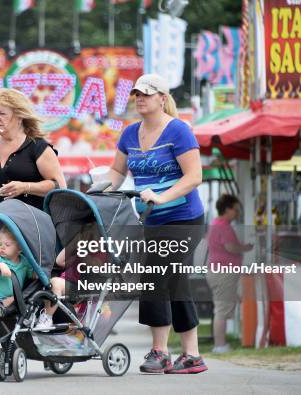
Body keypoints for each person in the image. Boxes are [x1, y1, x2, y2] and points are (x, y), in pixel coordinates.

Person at [105, 74, 208, 374]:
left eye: (146, 94)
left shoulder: (179, 131)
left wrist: (162, 197)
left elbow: (194, 177)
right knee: (161, 278)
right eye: (137, 93)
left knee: (165, 276)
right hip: (150, 219)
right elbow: (116, 171)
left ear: (162, 98)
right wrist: (99, 189)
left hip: (184, 217)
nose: (139, 98)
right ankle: (176, 353)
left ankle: (176, 353)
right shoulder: (128, 134)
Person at [206, 194, 253, 353]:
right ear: (227, 209)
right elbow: (230, 247)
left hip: (217, 271)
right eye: (235, 209)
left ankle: (222, 343)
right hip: (223, 273)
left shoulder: (215, 224)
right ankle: (220, 345)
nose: (237, 212)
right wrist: (245, 248)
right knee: (222, 309)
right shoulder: (223, 226)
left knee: (222, 307)